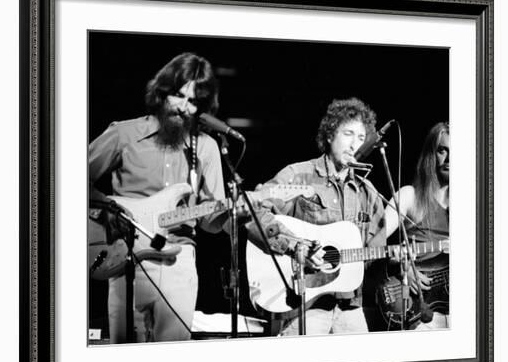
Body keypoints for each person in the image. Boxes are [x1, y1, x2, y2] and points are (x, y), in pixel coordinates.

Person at [88, 52, 226, 343]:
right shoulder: (124, 134)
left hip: (180, 259)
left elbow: (211, 223)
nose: (183, 107)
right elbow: (64, 178)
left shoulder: (206, 147)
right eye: (178, 96)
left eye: (193, 102)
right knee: (123, 357)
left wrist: (231, 213)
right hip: (126, 258)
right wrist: (105, 210)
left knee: (173, 361)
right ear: (162, 91)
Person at [246, 97, 386, 335]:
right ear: (330, 134)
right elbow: (253, 212)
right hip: (303, 303)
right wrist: (295, 246)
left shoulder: (368, 191)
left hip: (349, 304)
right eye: (348, 134)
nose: (355, 145)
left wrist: (396, 257)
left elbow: (374, 247)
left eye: (361, 138)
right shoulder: (299, 174)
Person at [381, 122, 449, 329]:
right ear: (430, 155)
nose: (449, 159)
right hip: (419, 304)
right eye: (442, 151)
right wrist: (404, 268)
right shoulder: (409, 195)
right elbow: (372, 245)